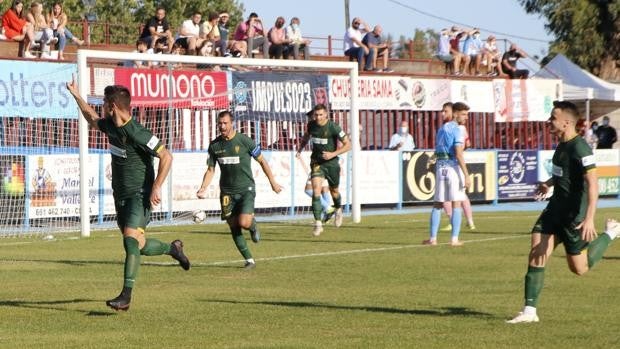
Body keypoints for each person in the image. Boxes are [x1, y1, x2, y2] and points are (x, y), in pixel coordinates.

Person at [65, 78, 190, 311]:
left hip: (139, 195)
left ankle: (126, 296)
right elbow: (92, 118)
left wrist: (156, 186)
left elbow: (167, 156)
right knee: (138, 245)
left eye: (103, 102)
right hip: (120, 196)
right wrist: (76, 95)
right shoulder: (111, 126)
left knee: (130, 239)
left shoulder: (138, 132)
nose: (101, 106)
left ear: (112, 106)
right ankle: (173, 249)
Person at [507, 101, 620, 324]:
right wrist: (548, 184)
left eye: (553, 117)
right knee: (537, 250)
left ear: (566, 122)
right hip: (554, 211)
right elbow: (563, 174)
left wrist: (589, 219)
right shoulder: (561, 144)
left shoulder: (581, 148)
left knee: (579, 268)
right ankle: (530, 311)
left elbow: (593, 185)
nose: (549, 121)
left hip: (573, 217)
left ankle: (611, 233)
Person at [196, 111, 282, 269]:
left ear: (232, 123)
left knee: (244, 222)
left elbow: (262, 162)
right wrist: (203, 188)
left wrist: (273, 182)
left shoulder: (244, 141)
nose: (222, 126)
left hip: (246, 189)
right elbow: (210, 170)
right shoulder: (214, 146)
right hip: (226, 192)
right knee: (233, 225)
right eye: (220, 123)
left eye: (225, 123)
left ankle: (253, 225)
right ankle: (249, 260)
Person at [296, 104, 352, 236]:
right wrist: (300, 149)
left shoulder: (333, 127)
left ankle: (338, 209)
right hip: (317, 163)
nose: (318, 117)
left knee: (334, 191)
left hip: (332, 164)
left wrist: (333, 154)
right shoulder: (311, 125)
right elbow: (306, 137)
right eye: (316, 115)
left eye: (321, 115)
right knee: (315, 190)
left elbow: (348, 145)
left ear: (326, 114)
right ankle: (318, 223)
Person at [423, 102, 471, 246]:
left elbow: (437, 150)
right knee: (456, 203)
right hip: (452, 168)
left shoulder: (441, 129)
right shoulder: (457, 130)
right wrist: (467, 175)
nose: (466, 117)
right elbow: (458, 153)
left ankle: (433, 238)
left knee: (437, 204)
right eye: (463, 114)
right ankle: (454, 239)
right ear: (455, 113)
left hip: (440, 168)